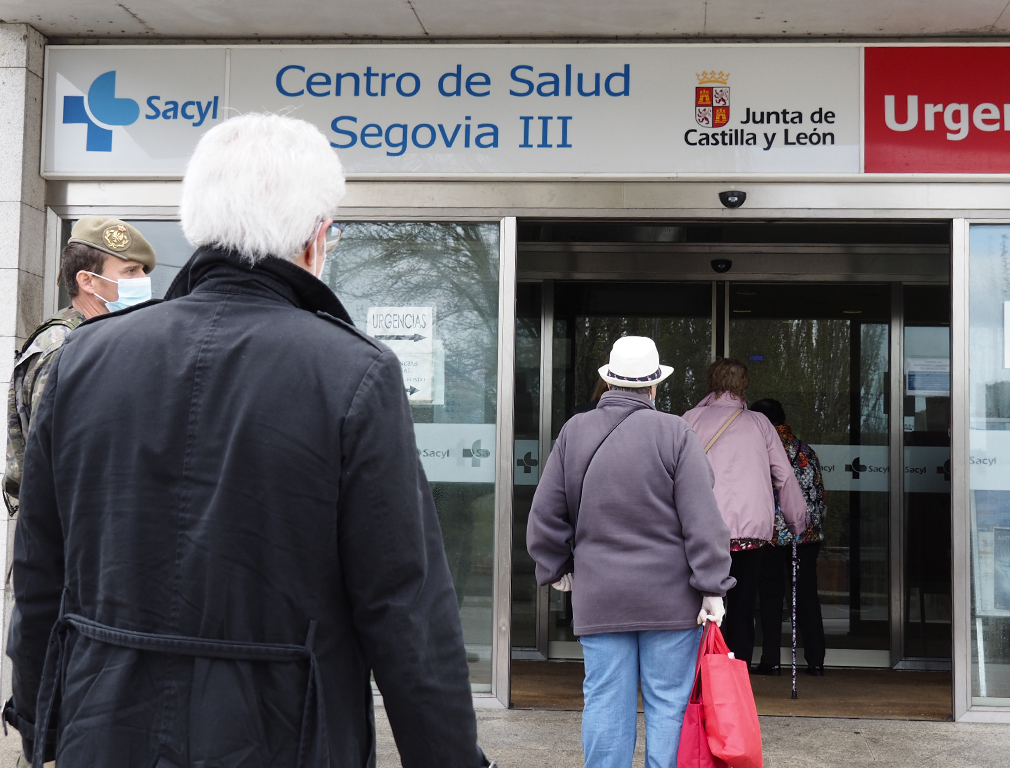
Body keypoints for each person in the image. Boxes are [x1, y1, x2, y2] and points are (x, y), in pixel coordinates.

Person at [5, 114, 490, 768]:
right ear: (316, 240)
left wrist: (39, 727)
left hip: (103, 730)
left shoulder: (81, 364)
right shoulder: (354, 373)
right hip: (288, 735)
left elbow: (39, 578)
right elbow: (404, 609)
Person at [528, 336, 734, 768]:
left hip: (600, 597)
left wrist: (556, 570)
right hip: (671, 602)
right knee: (670, 704)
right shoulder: (676, 433)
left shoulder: (574, 432)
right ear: (654, 386)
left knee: (604, 699)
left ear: (608, 380)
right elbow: (703, 519)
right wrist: (712, 586)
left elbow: (545, 513)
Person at [3, 218, 156, 515]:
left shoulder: (106, 338)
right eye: (130, 271)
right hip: (67, 528)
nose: (142, 279)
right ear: (88, 281)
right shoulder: (63, 345)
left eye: (143, 271)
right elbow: (54, 458)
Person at [682, 358, 808, 666]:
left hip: (702, 529)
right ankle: (735, 678)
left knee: (698, 605)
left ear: (711, 383)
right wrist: (797, 520)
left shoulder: (689, 420)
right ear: (744, 385)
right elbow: (784, 475)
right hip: (750, 534)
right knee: (742, 607)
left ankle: (700, 674)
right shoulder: (760, 424)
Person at [749, 398, 827, 677]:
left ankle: (771, 659)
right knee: (806, 596)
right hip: (806, 535)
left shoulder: (761, 449)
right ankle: (816, 660)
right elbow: (819, 494)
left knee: (769, 597)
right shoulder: (806, 450)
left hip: (770, 535)